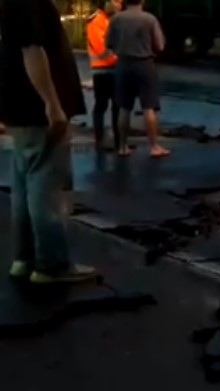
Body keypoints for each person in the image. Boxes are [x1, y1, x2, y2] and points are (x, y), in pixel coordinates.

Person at [0, 0, 98, 283]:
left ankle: (25, 258)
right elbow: (32, 49)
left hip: (18, 105)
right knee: (47, 187)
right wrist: (52, 104)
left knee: (25, 184)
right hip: (36, 108)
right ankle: (52, 264)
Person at [106, 0, 169, 158]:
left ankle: (122, 146)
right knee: (149, 106)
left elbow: (109, 43)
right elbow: (160, 46)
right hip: (144, 64)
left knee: (124, 107)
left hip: (123, 65)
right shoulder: (149, 19)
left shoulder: (116, 19)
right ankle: (154, 147)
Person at [87, 0, 123, 151]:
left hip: (115, 70)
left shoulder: (114, 19)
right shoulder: (96, 21)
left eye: (120, 2)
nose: (118, 5)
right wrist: (121, 59)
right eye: (115, 1)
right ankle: (100, 140)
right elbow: (103, 51)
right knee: (101, 105)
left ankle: (120, 141)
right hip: (102, 70)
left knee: (117, 106)